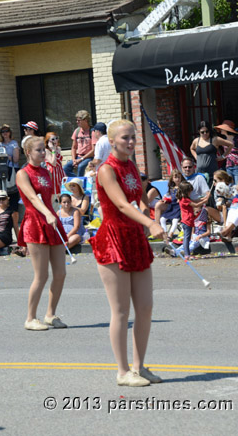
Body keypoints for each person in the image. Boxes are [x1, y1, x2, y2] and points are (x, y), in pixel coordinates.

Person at [89, 119, 165, 387]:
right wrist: (150, 223)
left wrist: (156, 208)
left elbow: (140, 200)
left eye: (133, 137)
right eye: (125, 138)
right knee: (120, 310)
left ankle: (139, 366)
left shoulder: (132, 165)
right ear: (112, 141)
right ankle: (122, 372)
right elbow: (121, 204)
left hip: (135, 237)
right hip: (113, 238)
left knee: (145, 307)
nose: (131, 142)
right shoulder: (106, 170)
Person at [16, 136, 68, 331]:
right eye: (39, 150)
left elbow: (50, 197)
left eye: (43, 150)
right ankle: (30, 318)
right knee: (42, 275)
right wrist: (47, 213)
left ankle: (50, 314)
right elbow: (31, 197)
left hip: (51, 220)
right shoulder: (23, 173)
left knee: (61, 273)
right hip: (35, 222)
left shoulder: (45, 171)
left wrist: (53, 212)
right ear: (28, 152)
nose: (42, 153)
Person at [190, 121, 233, 186]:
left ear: (210, 131)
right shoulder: (196, 141)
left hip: (212, 172)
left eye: (207, 131)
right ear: (199, 132)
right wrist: (196, 157)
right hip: (200, 172)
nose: (205, 133)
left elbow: (230, 144)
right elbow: (192, 148)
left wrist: (223, 156)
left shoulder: (214, 139)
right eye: (202, 132)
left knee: (212, 192)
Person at [0, 124, 20, 239]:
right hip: (3, 170)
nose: (5, 133)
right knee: (4, 193)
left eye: (7, 131)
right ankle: (6, 217)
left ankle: (14, 213)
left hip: (13, 169)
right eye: (2, 131)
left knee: (14, 192)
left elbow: (16, 159)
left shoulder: (14, 143)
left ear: (10, 132)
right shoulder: (0, 144)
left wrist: (7, 155)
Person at [176, 181, 207, 259]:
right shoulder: (184, 200)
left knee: (187, 238)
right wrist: (203, 201)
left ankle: (187, 253)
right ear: (186, 191)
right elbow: (196, 204)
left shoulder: (184, 198)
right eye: (190, 191)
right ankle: (187, 255)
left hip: (187, 220)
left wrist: (202, 198)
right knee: (187, 238)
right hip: (187, 220)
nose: (190, 193)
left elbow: (195, 201)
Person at [214, 120, 238, 184]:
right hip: (229, 166)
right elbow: (226, 154)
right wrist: (220, 157)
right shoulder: (224, 140)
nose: (221, 130)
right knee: (230, 185)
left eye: (222, 129)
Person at [63, 110, 96, 177]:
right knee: (66, 168)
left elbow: (93, 150)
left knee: (81, 167)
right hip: (78, 156)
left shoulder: (92, 132)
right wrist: (74, 159)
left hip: (88, 157)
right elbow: (74, 147)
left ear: (86, 120)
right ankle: (76, 181)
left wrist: (81, 159)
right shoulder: (77, 131)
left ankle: (80, 184)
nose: (77, 122)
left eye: (79, 120)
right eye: (76, 120)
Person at [154, 169, 182, 240]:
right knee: (162, 219)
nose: (178, 179)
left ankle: (171, 234)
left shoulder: (182, 187)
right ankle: (165, 233)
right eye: (176, 177)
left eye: (179, 177)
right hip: (171, 206)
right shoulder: (171, 188)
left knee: (175, 220)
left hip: (178, 207)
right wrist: (165, 200)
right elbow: (168, 196)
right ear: (172, 179)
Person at [44, 132, 65, 196]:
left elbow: (59, 163)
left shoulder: (58, 148)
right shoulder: (46, 150)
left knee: (61, 193)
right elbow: (53, 163)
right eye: (53, 139)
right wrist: (53, 150)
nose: (55, 140)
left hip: (60, 171)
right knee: (53, 193)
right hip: (52, 173)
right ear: (48, 141)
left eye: (56, 138)